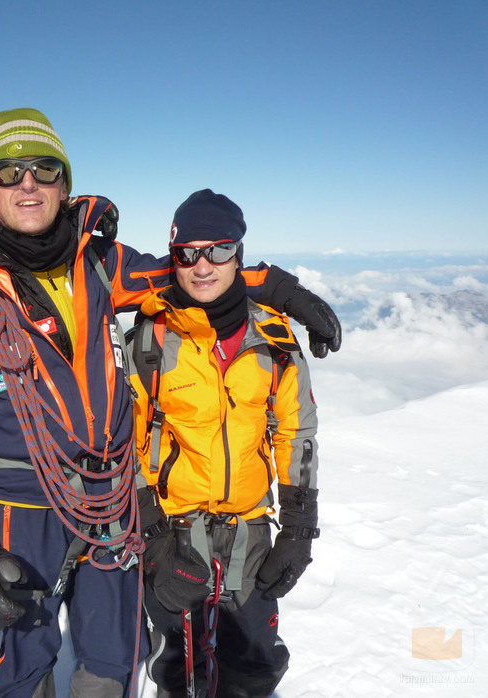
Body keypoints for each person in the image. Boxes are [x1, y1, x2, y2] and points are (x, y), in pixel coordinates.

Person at [0, 108, 337, 698]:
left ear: (64, 184)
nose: (29, 183)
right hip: (17, 504)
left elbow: (189, 275)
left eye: (44, 168)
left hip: (110, 501)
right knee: (28, 656)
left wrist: (280, 287)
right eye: (9, 171)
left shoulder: (98, 263)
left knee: (115, 655)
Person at [131, 189, 321, 697]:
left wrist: (300, 526)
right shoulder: (150, 341)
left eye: (217, 249)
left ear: (238, 253)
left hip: (251, 532)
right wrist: (153, 541)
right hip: (175, 532)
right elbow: (124, 444)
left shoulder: (275, 339)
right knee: (177, 669)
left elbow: (295, 432)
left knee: (255, 664)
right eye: (187, 252)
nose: (202, 265)